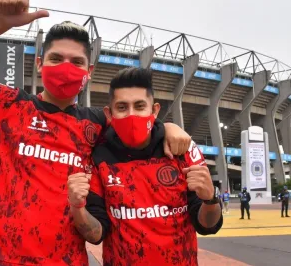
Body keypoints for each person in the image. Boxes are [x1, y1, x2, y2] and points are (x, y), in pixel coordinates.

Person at [0, 0, 192, 265]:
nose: (66, 68)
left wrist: (168, 126)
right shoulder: (9, 106)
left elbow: (138, 122)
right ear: (39, 64)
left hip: (69, 260)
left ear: (89, 72)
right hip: (7, 258)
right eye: (56, 59)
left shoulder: (97, 122)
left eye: (77, 62)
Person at [68, 68, 223, 265]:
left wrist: (210, 199)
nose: (132, 115)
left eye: (140, 106)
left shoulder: (181, 150)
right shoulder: (100, 158)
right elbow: (96, 234)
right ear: (109, 113)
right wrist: (77, 207)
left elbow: (207, 226)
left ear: (155, 110)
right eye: (122, 107)